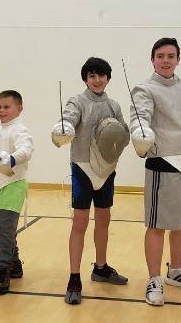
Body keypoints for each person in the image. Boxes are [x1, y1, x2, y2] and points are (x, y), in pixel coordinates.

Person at [130, 38, 181, 306]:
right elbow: (140, 116)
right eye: (160, 56)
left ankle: (176, 271)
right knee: (158, 225)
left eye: (170, 56)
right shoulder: (144, 88)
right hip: (164, 162)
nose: (165, 60)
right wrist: (141, 132)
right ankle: (154, 279)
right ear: (152, 59)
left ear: (178, 59)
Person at [51, 57, 129, 305]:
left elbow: (123, 132)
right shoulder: (77, 101)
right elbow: (70, 118)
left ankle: (101, 267)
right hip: (83, 169)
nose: (97, 80)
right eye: (92, 76)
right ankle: (74, 277)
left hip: (106, 170)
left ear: (108, 78)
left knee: (104, 220)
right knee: (80, 224)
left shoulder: (114, 105)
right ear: (85, 78)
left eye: (102, 75)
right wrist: (64, 127)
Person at [0, 90, 32, 295]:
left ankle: (3, 270)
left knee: (4, 230)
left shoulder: (20, 130)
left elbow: (26, 150)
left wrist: (12, 159)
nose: (1, 110)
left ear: (19, 109)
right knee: (0, 228)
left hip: (12, 186)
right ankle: (15, 264)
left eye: (6, 107)